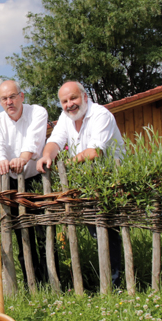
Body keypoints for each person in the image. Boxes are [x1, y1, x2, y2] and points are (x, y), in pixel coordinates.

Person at [36, 81, 126, 289]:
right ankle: (106, 281)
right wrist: (47, 156)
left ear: (85, 97)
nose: (69, 104)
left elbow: (95, 152)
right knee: (96, 230)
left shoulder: (100, 115)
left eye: (73, 98)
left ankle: (114, 284)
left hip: (111, 180)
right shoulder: (67, 119)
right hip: (87, 181)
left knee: (107, 229)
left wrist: (64, 165)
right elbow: (55, 141)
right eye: (64, 101)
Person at [0, 80, 49, 285]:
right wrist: (1, 160)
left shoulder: (37, 112)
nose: (9, 102)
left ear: (22, 96)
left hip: (37, 179)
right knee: (22, 234)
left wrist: (23, 156)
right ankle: (32, 283)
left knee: (45, 231)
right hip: (12, 183)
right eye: (4, 98)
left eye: (13, 96)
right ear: (0, 101)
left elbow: (34, 138)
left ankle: (51, 281)